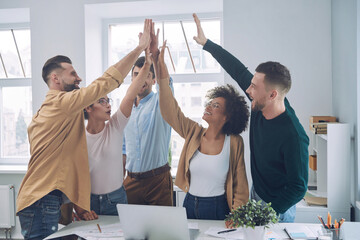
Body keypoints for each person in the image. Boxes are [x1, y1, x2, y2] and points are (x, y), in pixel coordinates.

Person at [16, 19, 152, 239]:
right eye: (72, 74)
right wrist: (138, 49)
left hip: (43, 199)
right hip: (42, 200)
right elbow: (105, 82)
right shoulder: (61, 103)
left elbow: (62, 165)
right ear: (55, 78)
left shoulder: (53, 114)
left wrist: (77, 203)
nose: (79, 78)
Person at [192, 13, 309, 222]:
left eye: (254, 87)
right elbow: (237, 70)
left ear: (272, 95)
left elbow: (298, 187)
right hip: (257, 193)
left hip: (279, 207)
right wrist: (207, 44)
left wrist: (268, 214)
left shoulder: (294, 136)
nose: (248, 89)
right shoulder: (259, 102)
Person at [157, 41, 250, 220]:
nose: (208, 107)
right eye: (210, 103)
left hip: (218, 207)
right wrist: (161, 68)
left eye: (215, 106)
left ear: (227, 116)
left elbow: (240, 185)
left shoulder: (235, 142)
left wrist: (238, 217)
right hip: (190, 204)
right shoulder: (194, 132)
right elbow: (170, 111)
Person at [78, 48, 153, 218]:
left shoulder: (115, 126)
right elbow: (74, 176)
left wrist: (147, 65)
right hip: (89, 202)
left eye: (108, 100)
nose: (108, 105)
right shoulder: (79, 137)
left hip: (116, 199)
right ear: (88, 108)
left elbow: (130, 94)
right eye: (102, 101)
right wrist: (79, 209)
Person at [122, 24, 174, 206]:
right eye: (136, 75)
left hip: (157, 181)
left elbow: (165, 85)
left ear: (153, 79)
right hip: (130, 182)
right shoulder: (125, 109)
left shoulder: (160, 103)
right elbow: (123, 150)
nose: (140, 79)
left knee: (161, 233)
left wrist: (155, 56)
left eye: (145, 75)